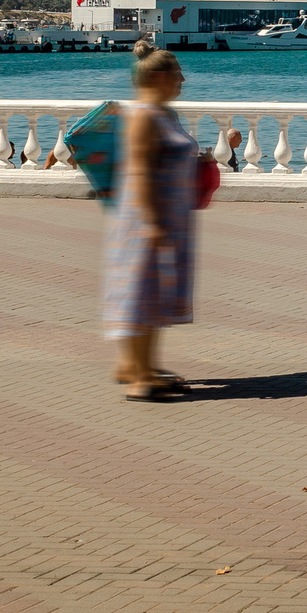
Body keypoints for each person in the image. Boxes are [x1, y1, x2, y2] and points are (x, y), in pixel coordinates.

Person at [104, 41, 199, 401]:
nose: (183, 80)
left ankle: (135, 366)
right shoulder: (144, 115)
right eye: (177, 75)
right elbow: (140, 170)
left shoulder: (161, 114)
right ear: (159, 77)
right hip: (148, 219)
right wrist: (151, 222)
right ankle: (142, 377)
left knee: (152, 294)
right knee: (142, 294)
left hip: (164, 218)